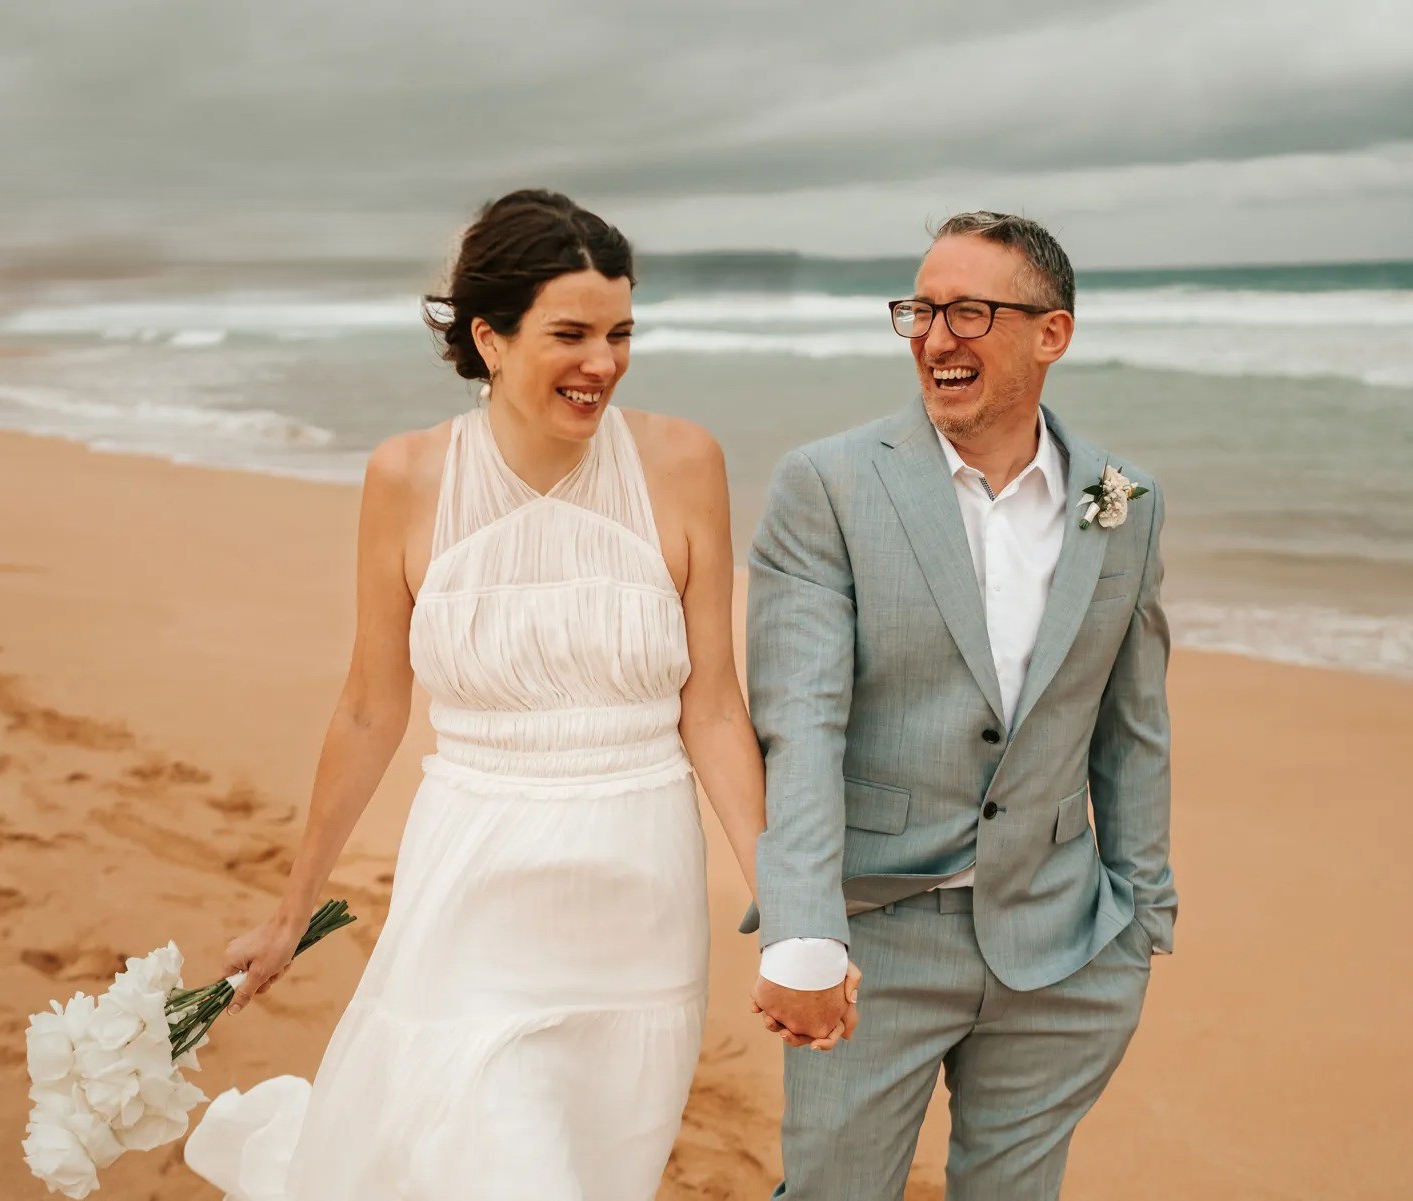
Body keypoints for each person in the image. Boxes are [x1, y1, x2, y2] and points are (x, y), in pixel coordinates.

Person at [183, 189, 798, 1200]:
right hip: (472, 890)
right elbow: (371, 708)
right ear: (490, 338)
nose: (603, 362)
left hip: (639, 903)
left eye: (620, 333)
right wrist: (292, 910)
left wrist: (788, 895)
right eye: (571, 333)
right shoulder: (407, 477)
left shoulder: (685, 463)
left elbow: (715, 708)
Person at [744, 212, 1176, 1200]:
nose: (936, 338)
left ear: (1051, 333)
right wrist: (804, 931)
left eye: (969, 312)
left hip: (1064, 943)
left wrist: (1141, 917)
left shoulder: (1125, 500)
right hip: (875, 936)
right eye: (922, 311)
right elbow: (800, 723)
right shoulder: (827, 484)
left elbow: (1133, 726)